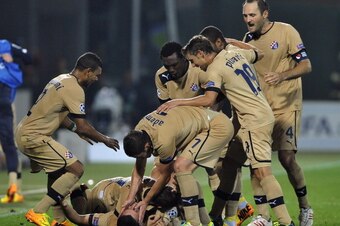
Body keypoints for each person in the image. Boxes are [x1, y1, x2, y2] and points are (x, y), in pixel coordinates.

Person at [157, 34, 295, 226]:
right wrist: (232, 41)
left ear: (201, 53)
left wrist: (176, 102)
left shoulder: (214, 69)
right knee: (228, 163)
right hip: (250, 118)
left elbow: (208, 100)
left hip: (253, 121)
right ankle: (218, 215)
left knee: (262, 173)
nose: (194, 65)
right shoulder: (235, 52)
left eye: (193, 60)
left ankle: (285, 222)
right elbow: (258, 53)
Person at [15, 52, 120, 226]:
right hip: (34, 136)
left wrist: (74, 129)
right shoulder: (75, 89)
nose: (96, 79)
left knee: (57, 174)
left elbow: (59, 113)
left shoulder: (61, 79)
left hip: (25, 132)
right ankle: (37, 211)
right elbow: (84, 125)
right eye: (96, 75)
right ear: (87, 71)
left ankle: (59, 221)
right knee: (76, 169)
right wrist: (105, 139)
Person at [242, 1, 313, 225]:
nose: (248, 19)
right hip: (262, 111)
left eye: (252, 15)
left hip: (286, 107)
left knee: (287, 158)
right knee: (257, 163)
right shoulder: (247, 41)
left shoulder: (286, 31)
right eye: (245, 15)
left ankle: (305, 208)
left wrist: (282, 76)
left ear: (265, 14)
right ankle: (264, 217)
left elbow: (306, 66)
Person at [122, 106, 234, 226]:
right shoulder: (140, 131)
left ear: (146, 146)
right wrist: (130, 197)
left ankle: (194, 223)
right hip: (205, 125)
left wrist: (146, 200)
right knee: (218, 168)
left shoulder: (163, 141)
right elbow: (139, 169)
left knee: (181, 167)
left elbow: (165, 175)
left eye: (142, 155)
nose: (143, 158)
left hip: (215, 128)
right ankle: (221, 218)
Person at [199, 25, 257, 226]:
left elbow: (214, 98)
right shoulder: (206, 64)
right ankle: (238, 209)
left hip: (225, 121)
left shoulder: (221, 62)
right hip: (224, 120)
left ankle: (233, 215)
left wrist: (231, 41)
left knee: (224, 166)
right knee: (222, 167)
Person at [59, 176, 180, 226]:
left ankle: (84, 191)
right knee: (83, 211)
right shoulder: (129, 198)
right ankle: (78, 189)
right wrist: (166, 218)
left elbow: (78, 218)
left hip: (114, 194)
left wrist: (167, 217)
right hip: (104, 194)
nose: (133, 206)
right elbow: (79, 218)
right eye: (134, 209)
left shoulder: (151, 205)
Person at [0, 39, 32, 203]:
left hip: (4, 103)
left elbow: (28, 57)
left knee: (8, 146)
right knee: (9, 147)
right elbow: (27, 57)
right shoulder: (5, 46)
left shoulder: (5, 46)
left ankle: (15, 188)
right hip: (5, 103)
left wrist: (13, 60)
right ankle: (15, 188)